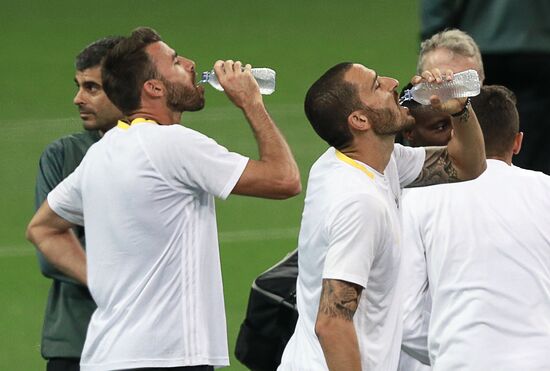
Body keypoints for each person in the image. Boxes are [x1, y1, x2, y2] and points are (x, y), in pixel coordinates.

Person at [26, 26, 301, 371]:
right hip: (166, 357)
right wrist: (251, 102)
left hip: (104, 357)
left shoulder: (100, 155)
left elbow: (42, 227)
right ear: (153, 88)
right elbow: (285, 179)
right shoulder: (172, 144)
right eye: (174, 61)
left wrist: (102, 282)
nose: (189, 64)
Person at [277, 62, 485, 371]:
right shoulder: (361, 202)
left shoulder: (359, 161)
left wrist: (459, 107)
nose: (392, 83)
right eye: (376, 85)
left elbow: (467, 164)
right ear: (359, 120)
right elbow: (332, 323)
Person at [401, 85, 550, 371]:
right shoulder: (545, 191)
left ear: (455, 135)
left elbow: (405, 318)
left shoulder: (418, 198)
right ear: (517, 142)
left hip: (461, 360)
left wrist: (451, 351)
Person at [397, 32, 486, 370]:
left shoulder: (506, 174)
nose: (454, 95)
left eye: (464, 83)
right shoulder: (400, 191)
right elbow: (406, 318)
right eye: (442, 81)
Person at [34, 36, 123, 371]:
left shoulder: (167, 150)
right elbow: (50, 255)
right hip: (78, 344)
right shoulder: (63, 156)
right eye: (79, 86)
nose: (78, 99)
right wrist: (128, 284)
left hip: (157, 347)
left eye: (92, 88)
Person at [421, 0, 550, 175]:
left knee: (471, 117)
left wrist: (436, 36)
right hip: (538, 45)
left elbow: (436, 7)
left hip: (483, 37)